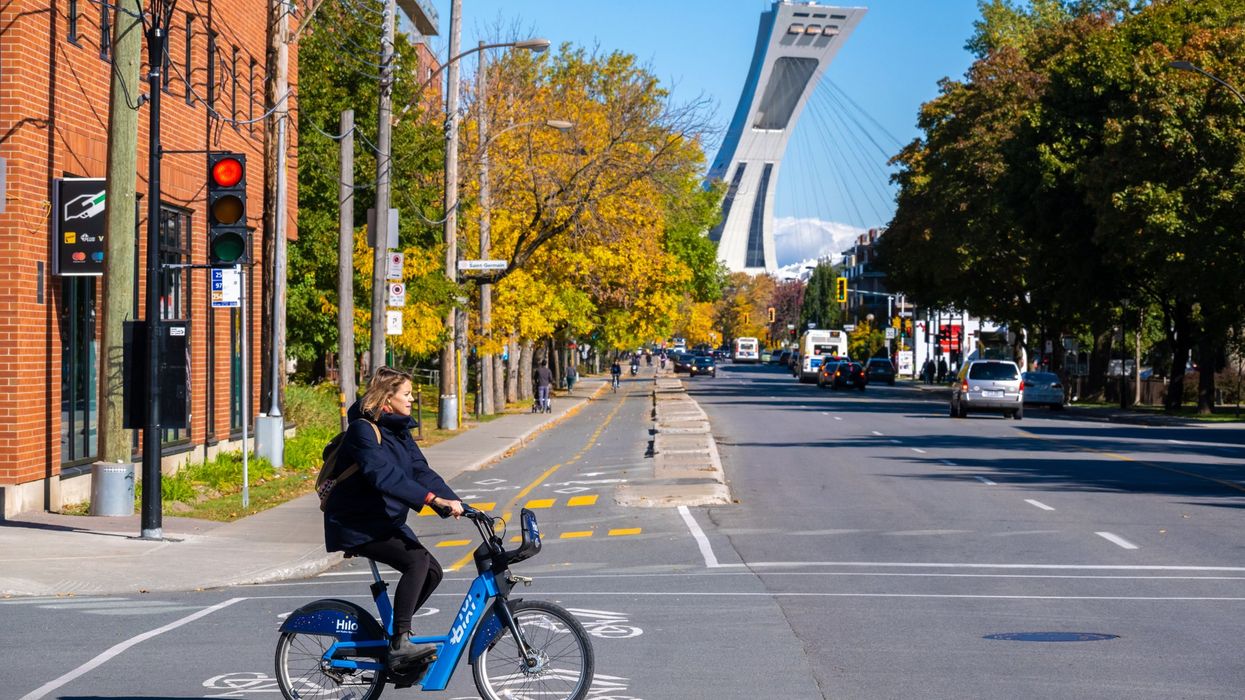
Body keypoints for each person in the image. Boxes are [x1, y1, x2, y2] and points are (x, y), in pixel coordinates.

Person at [322, 367, 464, 670]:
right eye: (407, 394)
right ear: (388, 399)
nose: (412, 399)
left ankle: (399, 636)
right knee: (416, 562)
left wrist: (456, 502)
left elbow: (420, 471)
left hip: (381, 519)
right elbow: (383, 475)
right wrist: (430, 500)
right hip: (355, 522)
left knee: (432, 571)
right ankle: (400, 642)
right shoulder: (362, 430)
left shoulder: (399, 430)